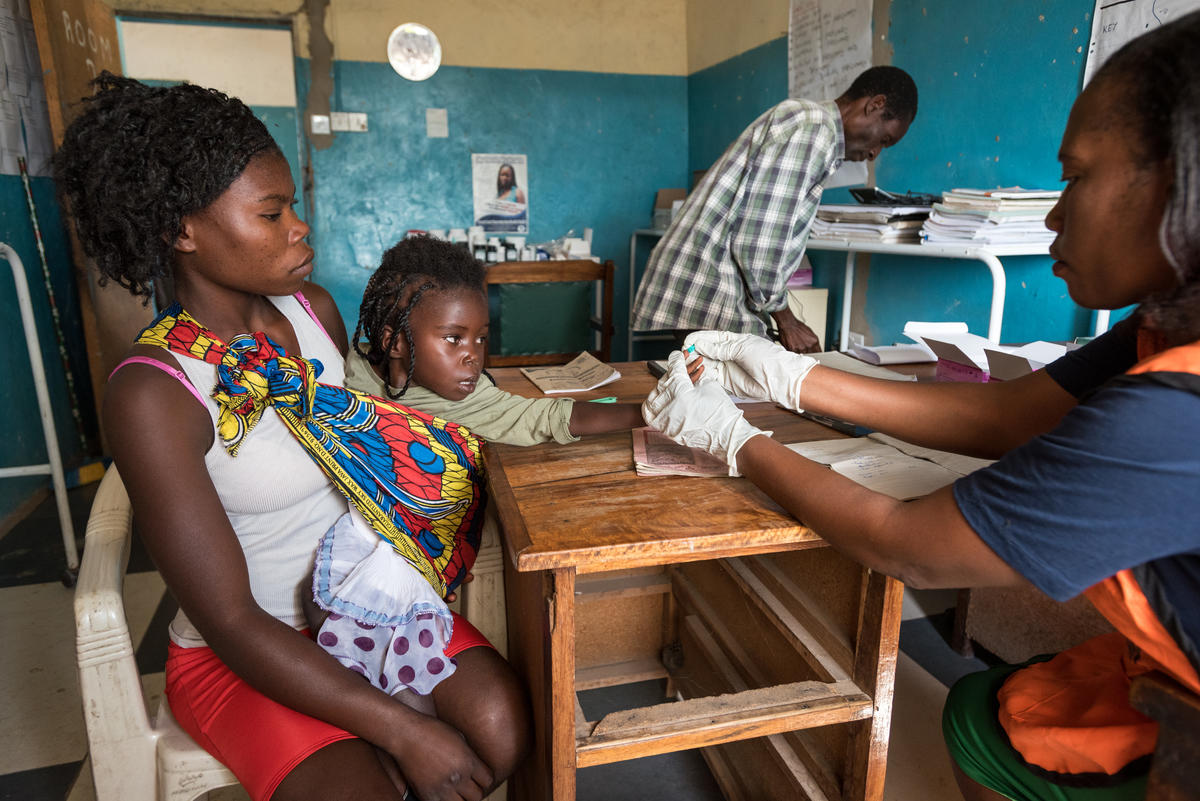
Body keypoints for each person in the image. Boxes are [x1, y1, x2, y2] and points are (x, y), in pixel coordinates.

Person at [641, 11, 1200, 801]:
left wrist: (735, 439)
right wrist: (789, 375)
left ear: (1182, 184)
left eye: (1074, 177)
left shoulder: (1171, 416)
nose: (1051, 216)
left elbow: (906, 543)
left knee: (982, 720)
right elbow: (1003, 416)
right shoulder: (1164, 327)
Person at [54, 74, 529, 801]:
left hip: (368, 603)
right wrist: (400, 728)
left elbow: (377, 440)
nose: (299, 228)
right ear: (184, 230)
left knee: (501, 726)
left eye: (294, 208)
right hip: (246, 651)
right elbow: (232, 621)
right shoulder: (153, 393)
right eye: (271, 214)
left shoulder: (314, 313)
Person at [630, 65, 918, 355]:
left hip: (707, 284)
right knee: (756, 389)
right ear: (875, 105)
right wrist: (787, 321)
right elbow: (757, 240)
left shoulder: (808, 123)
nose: (873, 154)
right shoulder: (814, 131)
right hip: (710, 287)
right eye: (885, 139)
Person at [343, 234, 645, 441]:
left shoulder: (469, 401)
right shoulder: (349, 368)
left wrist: (647, 413)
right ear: (393, 343)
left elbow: (545, 416)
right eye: (453, 339)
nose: (473, 355)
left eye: (481, 339)